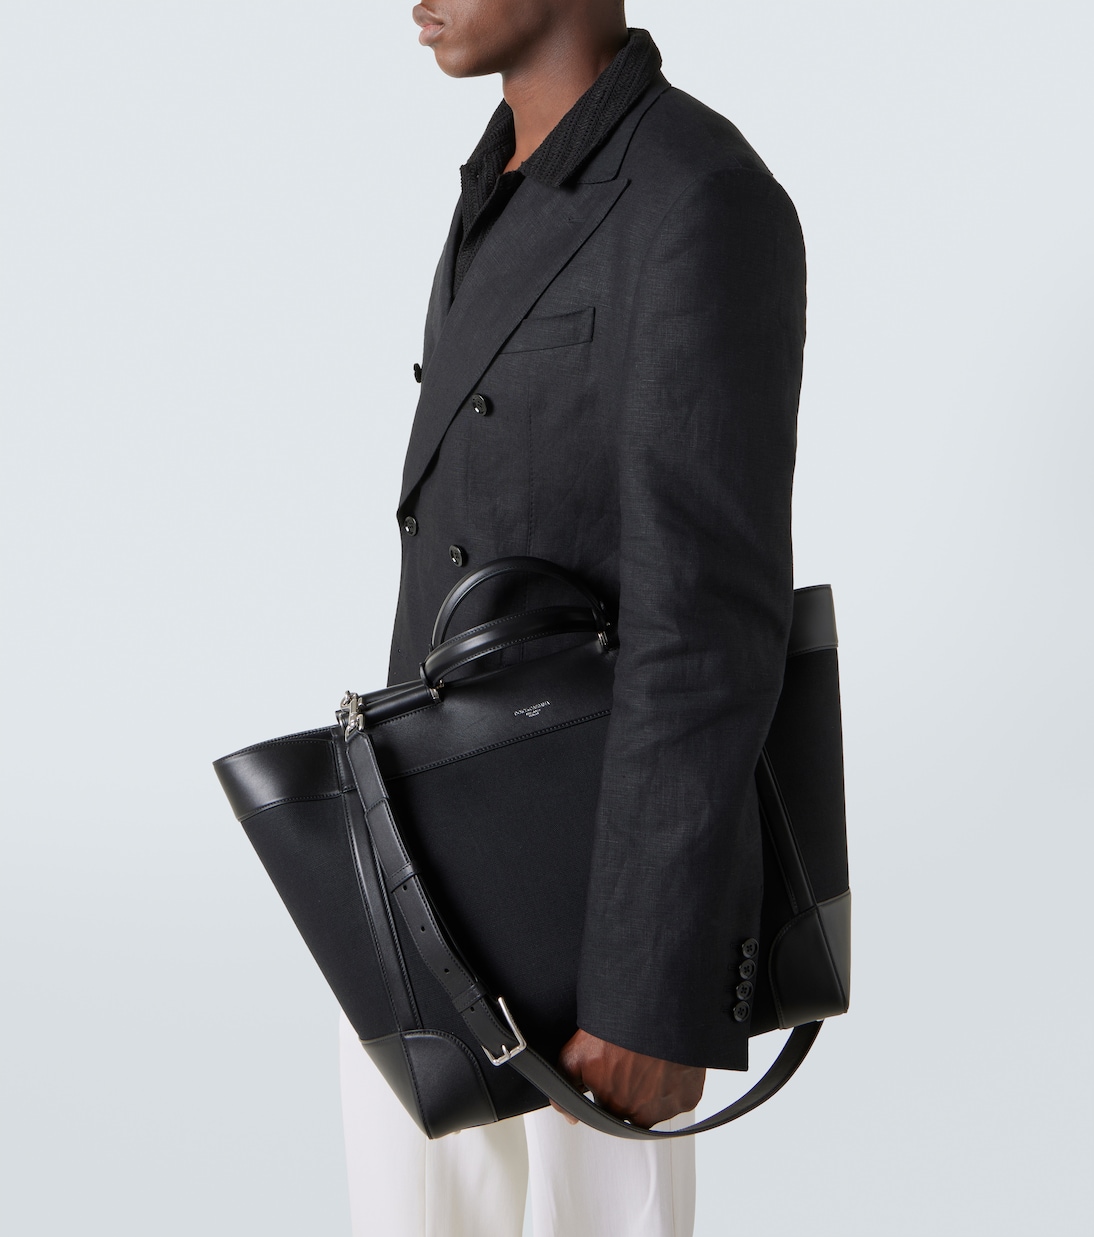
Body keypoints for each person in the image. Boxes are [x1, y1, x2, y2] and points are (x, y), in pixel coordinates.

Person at [339, 3, 807, 1234]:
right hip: (434, 868)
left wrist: (652, 981)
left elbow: (706, 616)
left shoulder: (698, 194)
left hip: (599, 907)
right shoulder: (496, 181)